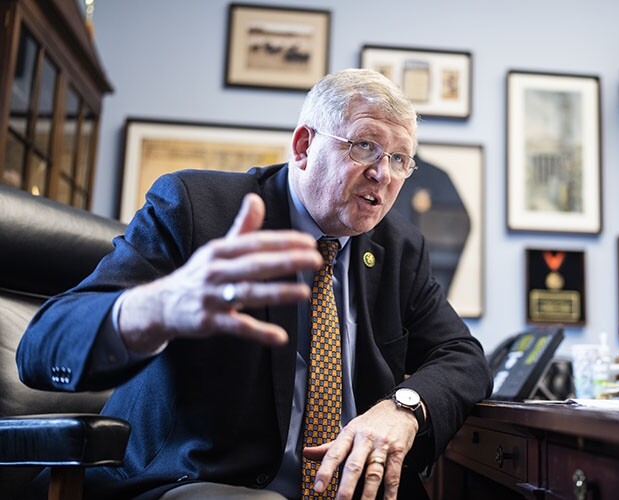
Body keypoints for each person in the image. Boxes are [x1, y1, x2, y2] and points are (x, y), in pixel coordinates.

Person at [17, 68, 493, 500]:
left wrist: (405, 407)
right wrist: (158, 307)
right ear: (304, 146)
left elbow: (462, 355)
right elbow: (42, 347)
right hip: (204, 482)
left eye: (399, 159)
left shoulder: (399, 248)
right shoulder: (197, 209)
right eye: (364, 146)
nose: (382, 173)